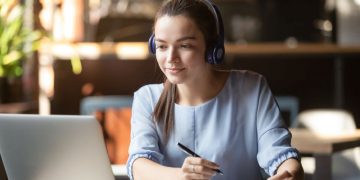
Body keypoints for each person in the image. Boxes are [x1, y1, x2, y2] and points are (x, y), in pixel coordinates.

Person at [126, 0, 304, 179]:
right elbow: (138, 166)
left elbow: (279, 153)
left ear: (212, 48)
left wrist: (290, 173)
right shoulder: (147, 98)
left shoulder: (252, 88)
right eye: (162, 46)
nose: (171, 57)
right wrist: (181, 176)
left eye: (184, 46)